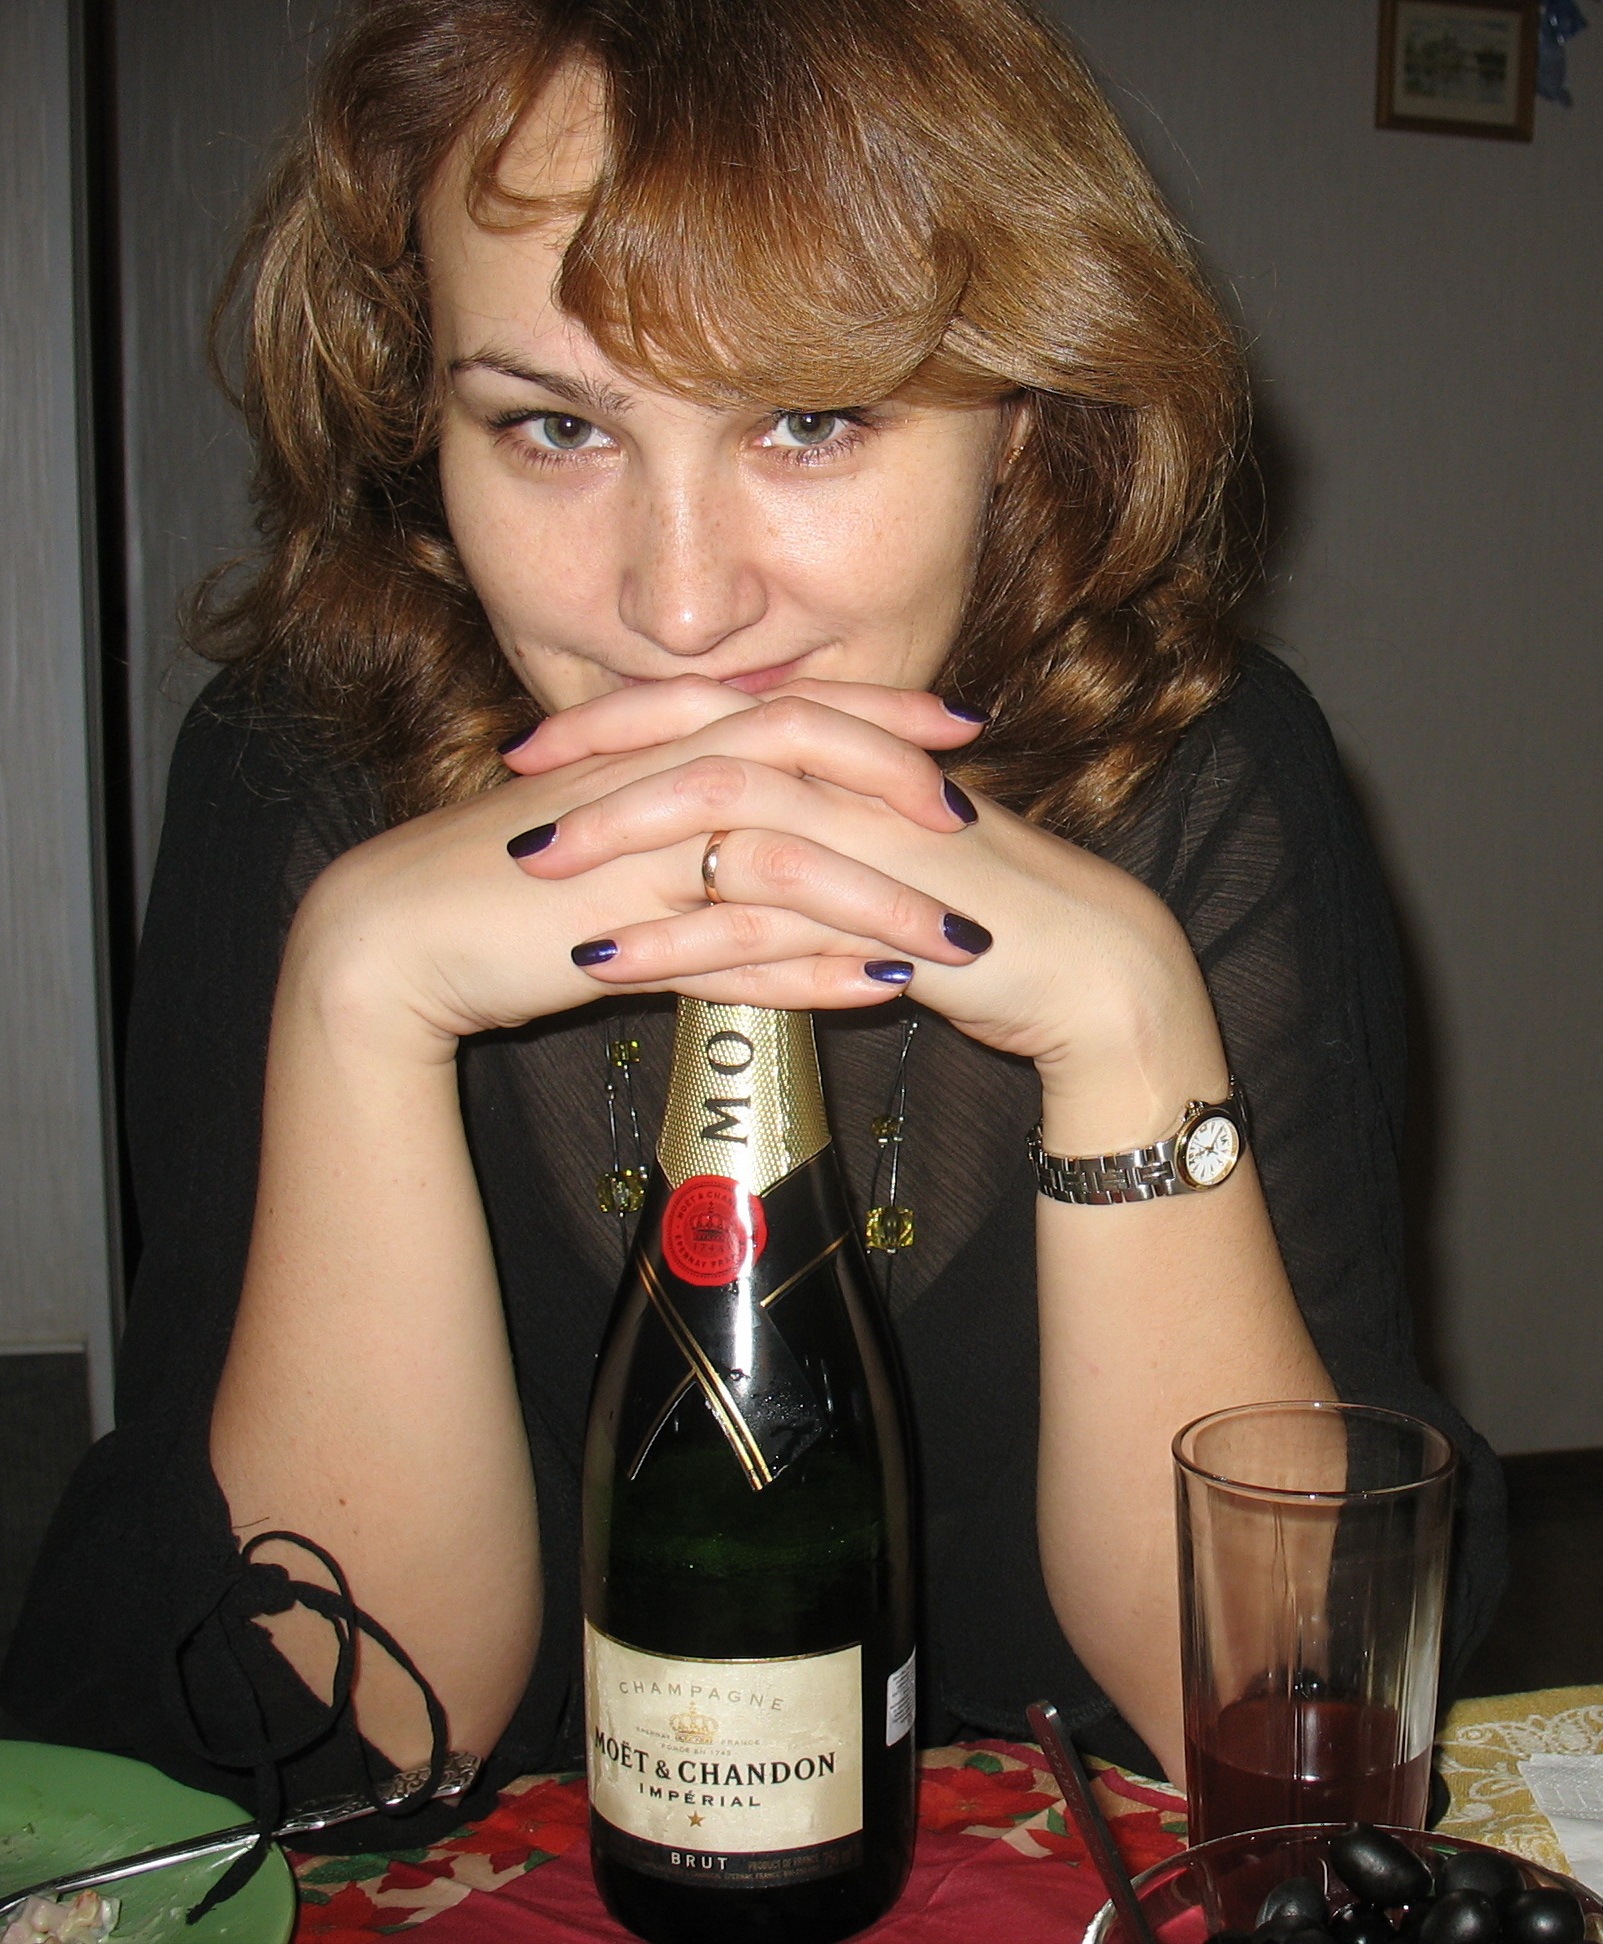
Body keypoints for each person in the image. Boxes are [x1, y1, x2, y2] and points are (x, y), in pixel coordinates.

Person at [6, 0, 1502, 1853]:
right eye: (555, 425)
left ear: (1024, 416)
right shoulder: (301, 777)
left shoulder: (1200, 783)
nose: (681, 603)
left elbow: (1269, 1727)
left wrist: (1127, 1023)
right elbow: (356, 1742)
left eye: (810, 418)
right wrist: (358, 1000)